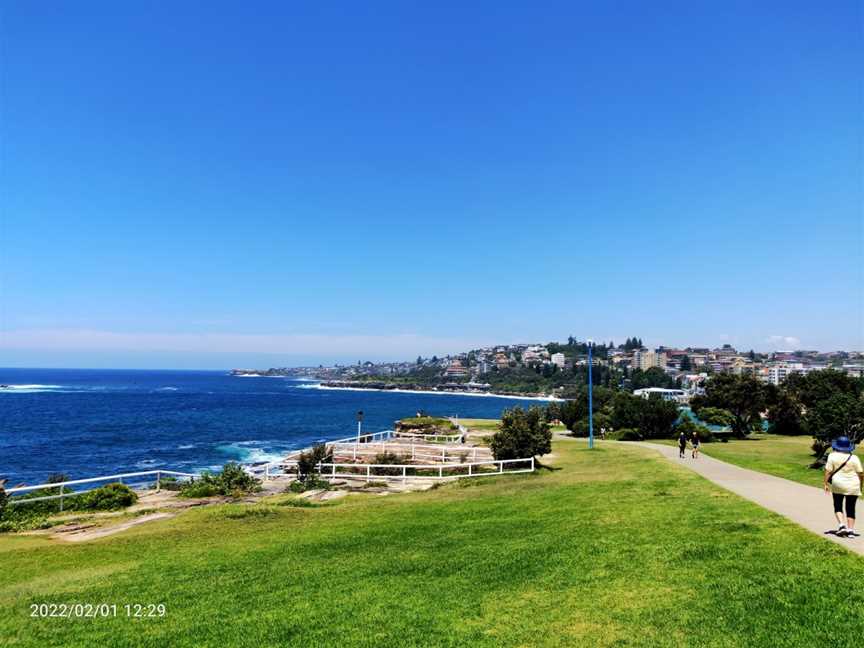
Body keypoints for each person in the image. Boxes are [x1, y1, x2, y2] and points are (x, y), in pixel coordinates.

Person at [823, 436, 864, 538]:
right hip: (853, 485)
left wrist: (825, 483)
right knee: (851, 507)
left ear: (836, 446)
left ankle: (842, 526)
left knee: (838, 505)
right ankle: (850, 530)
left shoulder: (832, 456)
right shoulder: (854, 458)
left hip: (838, 484)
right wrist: (861, 485)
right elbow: (861, 473)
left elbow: (828, 471)